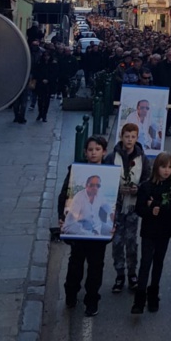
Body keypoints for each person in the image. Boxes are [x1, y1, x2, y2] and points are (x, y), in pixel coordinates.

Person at [58, 136, 113, 317]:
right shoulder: (76, 176)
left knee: (96, 268)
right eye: (90, 149)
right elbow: (64, 196)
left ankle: (91, 301)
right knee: (75, 265)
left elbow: (110, 207)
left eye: (97, 149)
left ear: (103, 152)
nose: (93, 152)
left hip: (97, 237)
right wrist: (61, 218)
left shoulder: (108, 177)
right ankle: (71, 294)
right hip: (79, 233)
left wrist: (113, 223)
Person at [132, 152, 171, 314]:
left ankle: (153, 293)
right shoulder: (146, 186)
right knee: (145, 263)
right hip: (149, 230)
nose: (166, 171)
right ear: (156, 167)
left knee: (158, 262)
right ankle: (139, 298)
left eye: (170, 167)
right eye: (163, 167)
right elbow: (139, 209)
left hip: (164, 231)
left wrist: (156, 204)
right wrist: (150, 209)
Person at [105, 122, 151, 292]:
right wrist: (118, 190)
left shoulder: (142, 158)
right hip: (116, 206)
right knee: (117, 241)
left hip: (132, 206)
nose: (130, 140)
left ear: (137, 138)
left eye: (133, 137)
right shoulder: (111, 157)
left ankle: (132, 272)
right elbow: (106, 178)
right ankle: (119, 274)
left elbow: (147, 179)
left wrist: (137, 189)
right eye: (127, 136)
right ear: (121, 137)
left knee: (131, 241)